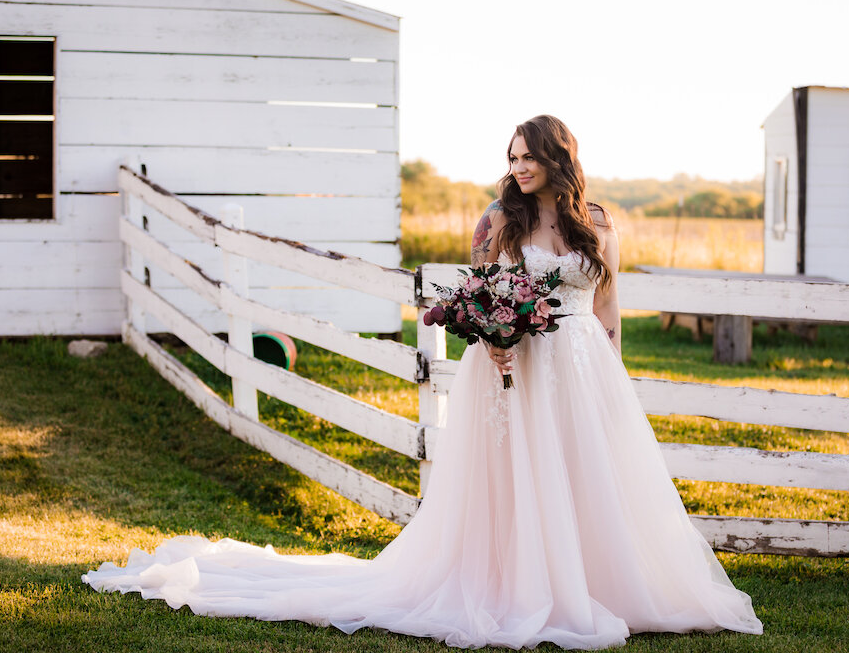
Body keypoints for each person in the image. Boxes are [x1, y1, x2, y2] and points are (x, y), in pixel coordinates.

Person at [83, 114, 764, 648]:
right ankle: (523, 586)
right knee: (525, 479)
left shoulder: (602, 223)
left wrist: (614, 377)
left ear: (560, 158)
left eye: (529, 155)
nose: (518, 168)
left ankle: (595, 584)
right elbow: (483, 293)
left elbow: (608, 307)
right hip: (518, 366)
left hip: (585, 368)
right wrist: (495, 341)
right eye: (511, 157)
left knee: (587, 476)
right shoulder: (500, 221)